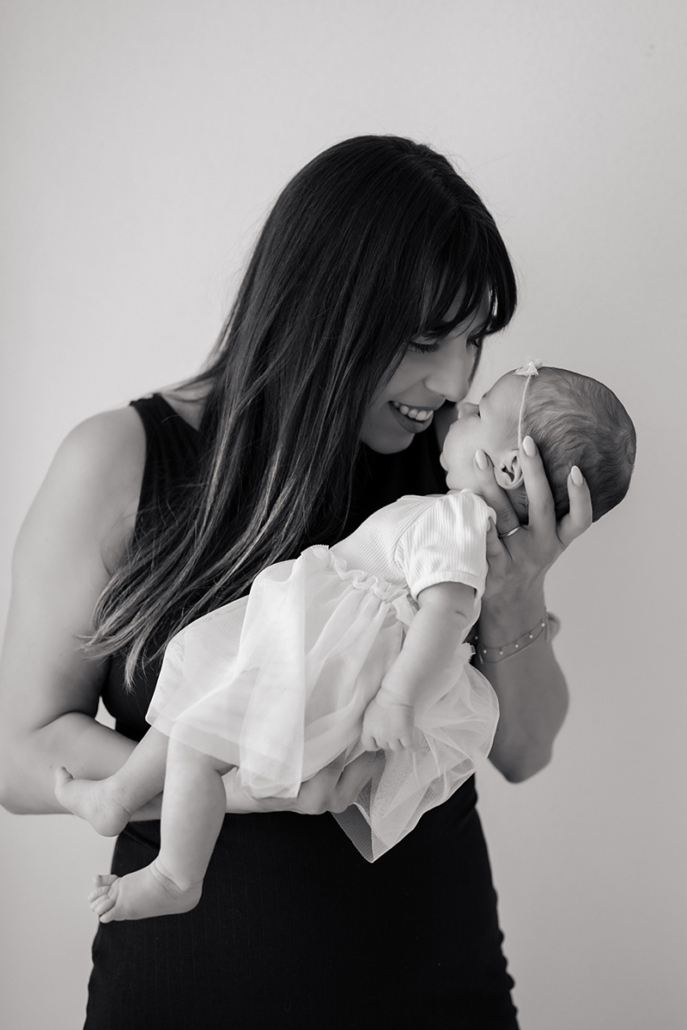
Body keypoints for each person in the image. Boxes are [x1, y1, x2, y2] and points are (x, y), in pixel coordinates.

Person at [0, 136, 596, 1029]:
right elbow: (18, 756)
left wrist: (518, 590)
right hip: (180, 998)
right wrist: (248, 785)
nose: (450, 381)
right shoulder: (119, 459)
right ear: (323, 308)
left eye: (472, 339)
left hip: (437, 991)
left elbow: (523, 752)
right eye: (423, 338)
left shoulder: (456, 478)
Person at [54, 362, 635, 912]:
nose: (459, 400)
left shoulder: (459, 518)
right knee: (195, 716)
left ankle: (175, 874)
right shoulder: (457, 519)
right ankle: (118, 797)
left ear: (509, 469)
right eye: (429, 338)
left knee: (200, 729)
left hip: (333, 661)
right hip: (327, 652)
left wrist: (397, 698)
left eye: (479, 412)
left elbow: (449, 613)